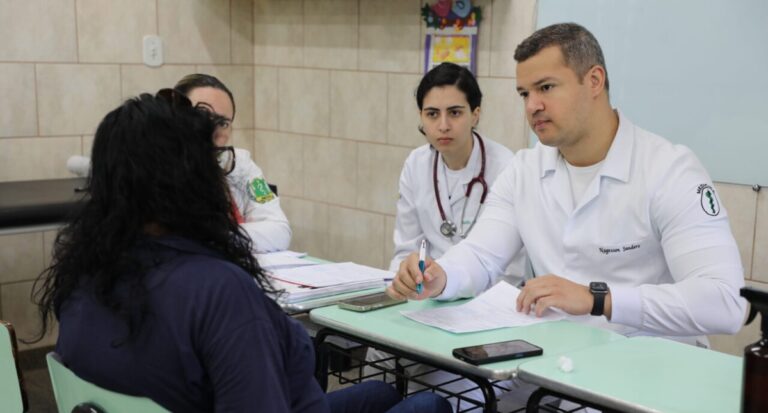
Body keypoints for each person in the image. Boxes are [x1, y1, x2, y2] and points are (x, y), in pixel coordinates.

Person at [32, 92, 451, 413]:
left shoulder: (82, 273)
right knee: (431, 405)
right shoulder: (218, 292)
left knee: (378, 391)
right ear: (191, 178)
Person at [389, 23, 746, 348]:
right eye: (524, 94)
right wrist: (441, 277)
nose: (533, 106)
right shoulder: (524, 170)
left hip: (653, 369)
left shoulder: (670, 171)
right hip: (559, 364)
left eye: (545, 88)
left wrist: (599, 299)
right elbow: (482, 255)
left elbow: (724, 302)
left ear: (594, 81)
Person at [367, 62, 526, 409]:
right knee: (376, 353)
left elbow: (509, 273)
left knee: (456, 392)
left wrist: (449, 289)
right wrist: (408, 278)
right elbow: (405, 248)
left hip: (484, 309)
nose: (443, 125)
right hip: (427, 302)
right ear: (421, 118)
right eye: (432, 113)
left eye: (455, 112)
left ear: (476, 114)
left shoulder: (507, 167)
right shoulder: (416, 164)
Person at [174, 73, 291, 253]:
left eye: (223, 122)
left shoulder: (242, 167)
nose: (213, 128)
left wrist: (219, 237)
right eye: (202, 115)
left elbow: (279, 231)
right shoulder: (153, 167)